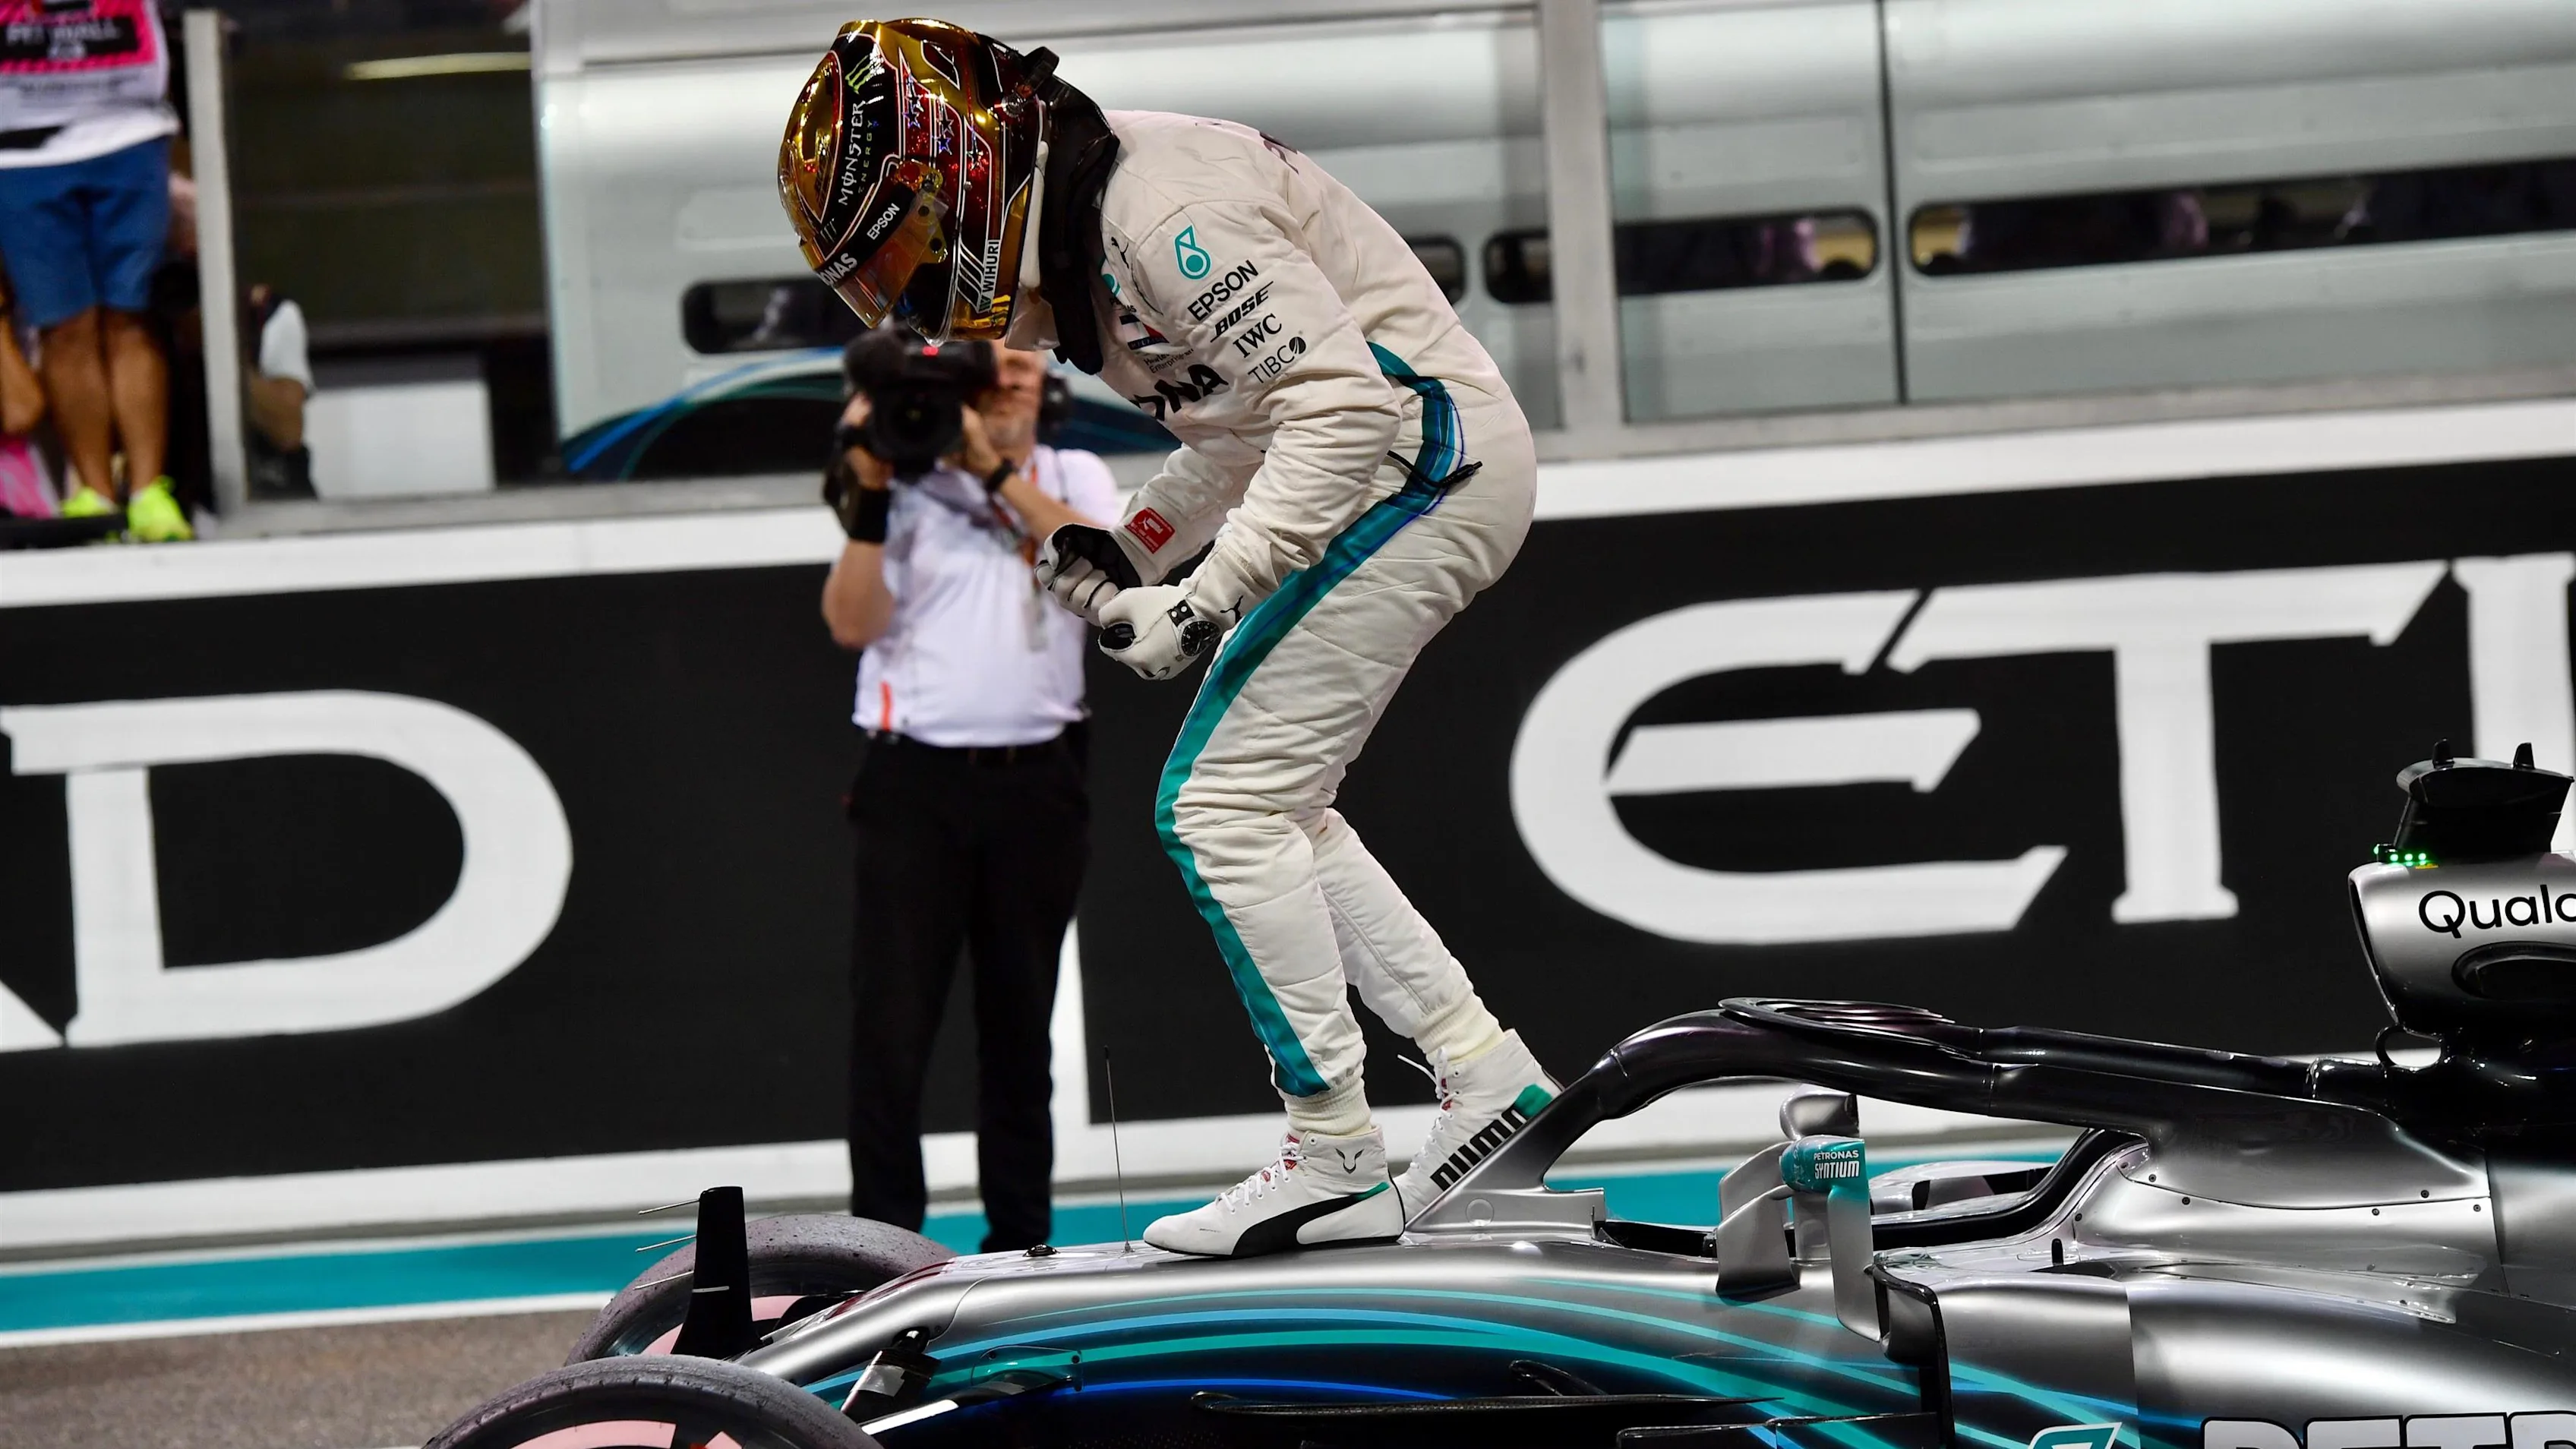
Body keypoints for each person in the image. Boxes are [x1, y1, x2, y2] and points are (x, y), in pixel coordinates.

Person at [777, 19, 1558, 1258]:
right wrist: (1133, 541)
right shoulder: (1090, 245)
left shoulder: (1154, 216)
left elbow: (1341, 403)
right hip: (1414, 466)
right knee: (1272, 809)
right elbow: (1244, 435)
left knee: (1218, 806)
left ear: (965, 175)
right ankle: (1484, 1077)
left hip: (1426, 464)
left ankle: (1333, 1148)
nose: (907, 298)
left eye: (904, 249)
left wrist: (1205, 594)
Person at [822, 329, 1118, 1253]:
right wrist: (870, 486)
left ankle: (1021, 1239)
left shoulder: (1073, 475)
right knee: (891, 1029)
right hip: (914, 780)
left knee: (1019, 1029)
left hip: (1038, 781)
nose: (1010, 388)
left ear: (1046, 391)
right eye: (993, 378)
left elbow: (1108, 559)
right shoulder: (902, 479)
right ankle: (881, 1248)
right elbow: (849, 622)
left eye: (1026, 373)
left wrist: (993, 473)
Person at [0, 0, 191, 541]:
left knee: (131, 317)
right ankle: (94, 496)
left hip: (125, 128)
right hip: (19, 147)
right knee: (65, 326)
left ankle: (150, 492)